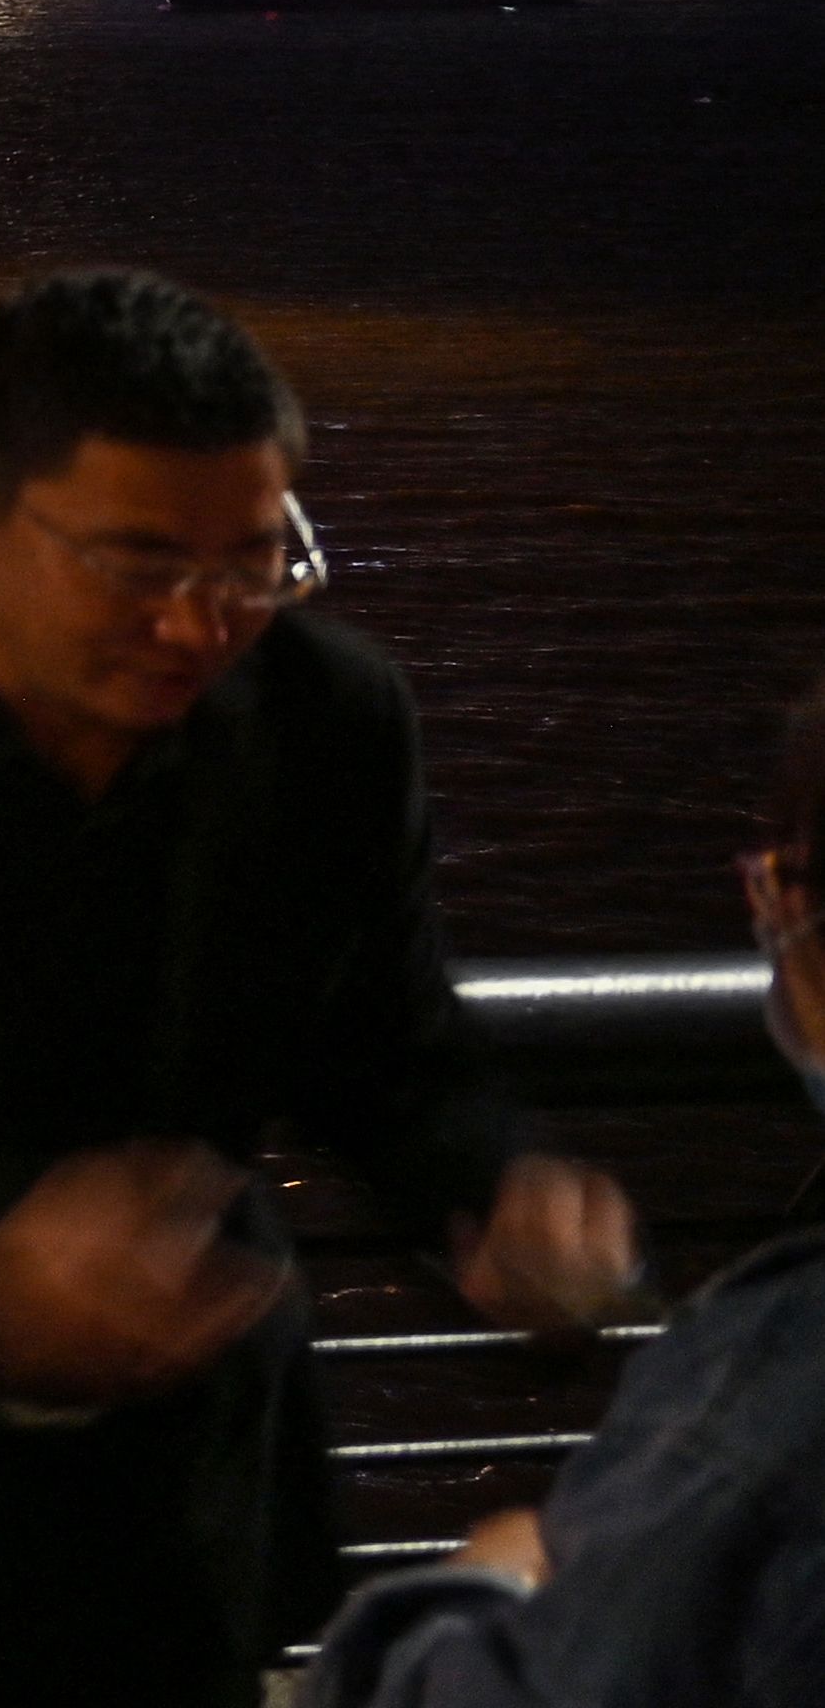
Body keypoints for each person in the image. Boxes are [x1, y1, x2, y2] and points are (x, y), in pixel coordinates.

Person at [0, 268, 640, 1708]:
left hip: (177, 1483)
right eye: (141, 568)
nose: (203, 627)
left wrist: (499, 1188)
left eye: (259, 565)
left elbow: (386, 1047)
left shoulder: (332, 719)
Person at [300, 666, 825, 1701]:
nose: (197, 617)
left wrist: (490, 1577)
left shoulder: (773, 1391)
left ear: (785, 906)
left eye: (255, 559)